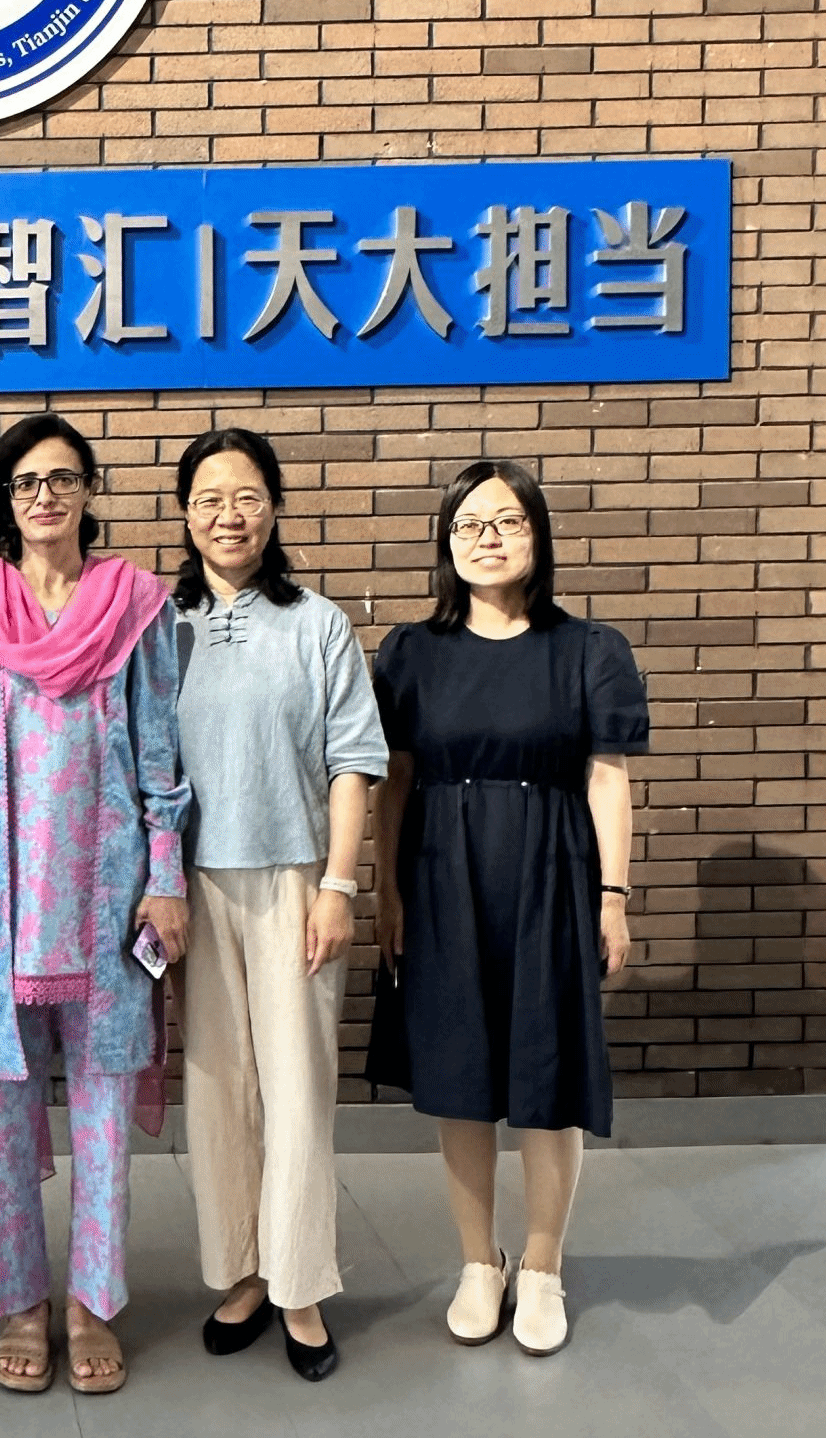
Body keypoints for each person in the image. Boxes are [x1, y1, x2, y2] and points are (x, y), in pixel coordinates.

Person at [0, 412, 190, 1397]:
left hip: (108, 898)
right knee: (1, 1106)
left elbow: (159, 751)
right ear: (5, 499)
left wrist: (164, 876)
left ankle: (91, 1302)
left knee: (104, 1111)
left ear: (88, 491)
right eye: (26, 481)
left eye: (63, 478)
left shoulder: (136, 604)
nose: (44, 495)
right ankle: (20, 1301)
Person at [368, 459, 647, 1357]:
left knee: (547, 1074)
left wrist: (613, 896)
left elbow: (607, 779)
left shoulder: (590, 648)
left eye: (507, 521)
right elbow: (394, 781)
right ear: (447, 543)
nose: (488, 538)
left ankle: (543, 1265)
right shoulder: (411, 652)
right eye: (470, 524)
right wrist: (386, 890)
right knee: (461, 1074)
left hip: (551, 872)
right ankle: (476, 1263)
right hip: (440, 876)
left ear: (538, 535)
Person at [171, 428, 387, 1383]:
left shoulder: (318, 624)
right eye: (210, 499)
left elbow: (354, 761)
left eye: (248, 497)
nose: (230, 516)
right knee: (220, 1086)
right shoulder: (159, 625)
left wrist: (338, 885)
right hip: (190, 884)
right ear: (185, 513)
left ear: (275, 508)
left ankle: (299, 1286)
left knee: (298, 1089)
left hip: (295, 880)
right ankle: (244, 1271)